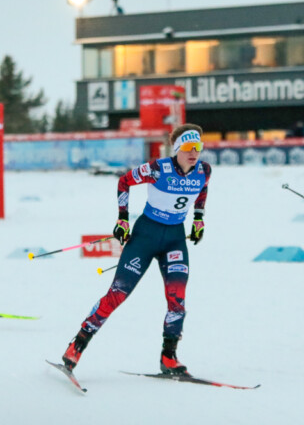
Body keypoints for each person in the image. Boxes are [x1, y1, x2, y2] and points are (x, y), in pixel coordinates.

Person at [61, 123, 211, 375]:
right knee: (118, 293)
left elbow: (202, 190)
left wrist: (198, 218)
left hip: (174, 239)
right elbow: (124, 181)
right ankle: (76, 345)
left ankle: (169, 357)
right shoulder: (158, 169)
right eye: (187, 147)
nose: (193, 152)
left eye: (198, 147)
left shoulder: (204, 170)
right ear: (177, 149)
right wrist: (122, 219)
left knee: (177, 300)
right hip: (145, 236)